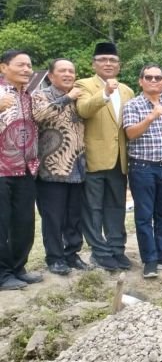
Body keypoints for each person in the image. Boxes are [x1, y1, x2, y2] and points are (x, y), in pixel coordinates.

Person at [75, 42, 134, 271]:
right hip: (94, 158)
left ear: (119, 65)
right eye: (103, 60)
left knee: (116, 206)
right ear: (94, 64)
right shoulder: (85, 85)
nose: (108, 64)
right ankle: (99, 253)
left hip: (120, 159)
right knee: (93, 209)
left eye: (113, 60)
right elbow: (84, 110)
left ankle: (117, 250)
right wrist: (105, 93)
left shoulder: (127, 90)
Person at [123, 64, 162, 278]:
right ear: (140, 81)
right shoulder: (133, 105)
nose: (153, 81)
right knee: (144, 216)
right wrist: (151, 116)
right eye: (148, 77)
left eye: (157, 78)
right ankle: (149, 260)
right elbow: (130, 133)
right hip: (142, 167)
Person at [32, 58, 89, 275]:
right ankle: (55, 258)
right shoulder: (41, 95)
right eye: (62, 71)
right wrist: (67, 98)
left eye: (71, 71)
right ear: (50, 75)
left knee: (75, 216)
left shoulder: (79, 97)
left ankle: (72, 254)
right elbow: (38, 115)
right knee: (53, 217)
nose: (68, 74)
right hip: (52, 169)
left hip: (77, 167)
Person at [0, 50, 41, 290]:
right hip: (1, 170)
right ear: (4, 68)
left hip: (25, 168)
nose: (27, 69)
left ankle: (18, 268)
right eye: (20, 65)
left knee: (24, 222)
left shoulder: (28, 96)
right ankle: (2, 274)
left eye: (29, 65)